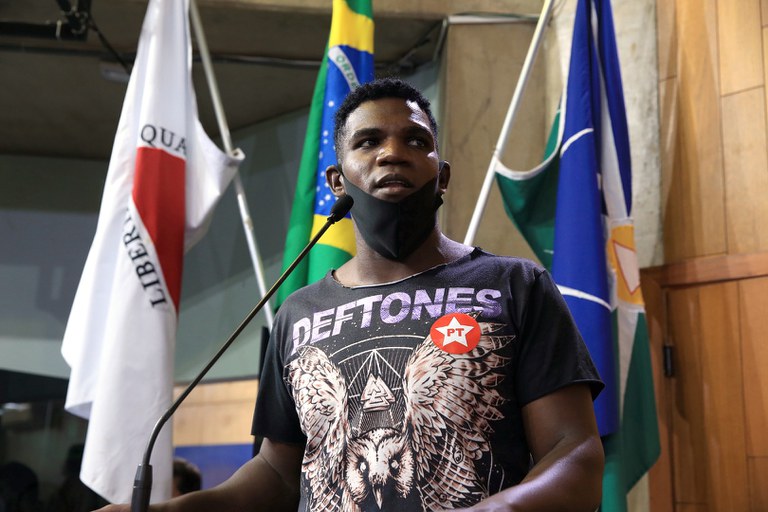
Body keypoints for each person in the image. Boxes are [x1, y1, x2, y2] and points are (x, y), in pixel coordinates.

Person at [98, 77, 604, 511]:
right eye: (368, 141)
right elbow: (276, 474)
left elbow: (574, 450)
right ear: (337, 182)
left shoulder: (513, 286)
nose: (392, 152)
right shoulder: (298, 312)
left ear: (443, 175)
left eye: (415, 140)